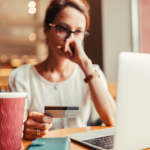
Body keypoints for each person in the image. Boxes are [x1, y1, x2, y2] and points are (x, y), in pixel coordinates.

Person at [8, 0, 116, 140]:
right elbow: (14, 133)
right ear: (46, 29)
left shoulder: (91, 72)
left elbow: (112, 119)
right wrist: (24, 130)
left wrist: (85, 63)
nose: (70, 39)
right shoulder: (21, 76)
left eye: (78, 32)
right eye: (63, 29)